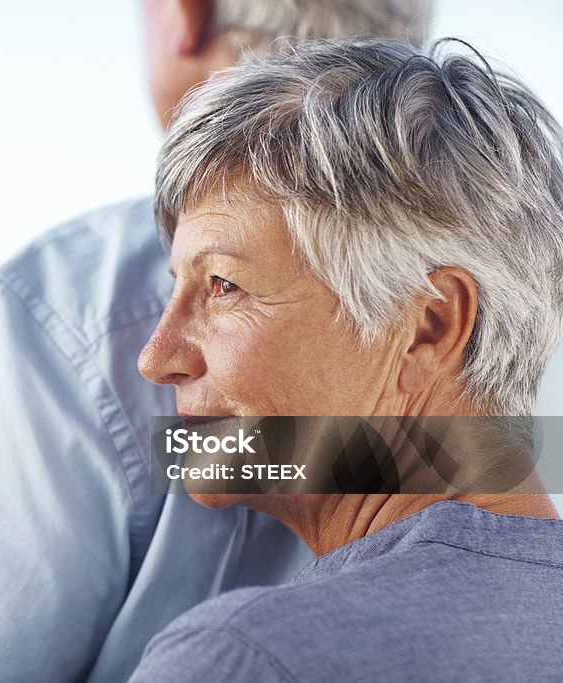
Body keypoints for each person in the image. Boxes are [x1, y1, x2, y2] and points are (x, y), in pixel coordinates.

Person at [0, 3, 431, 681]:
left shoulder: (83, 307)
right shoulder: (515, 288)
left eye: (223, 287)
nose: (158, 356)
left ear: (188, 15)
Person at [129, 37, 563, 681]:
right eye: (176, 287)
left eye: (224, 285)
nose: (156, 358)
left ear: (429, 327)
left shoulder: (247, 657)